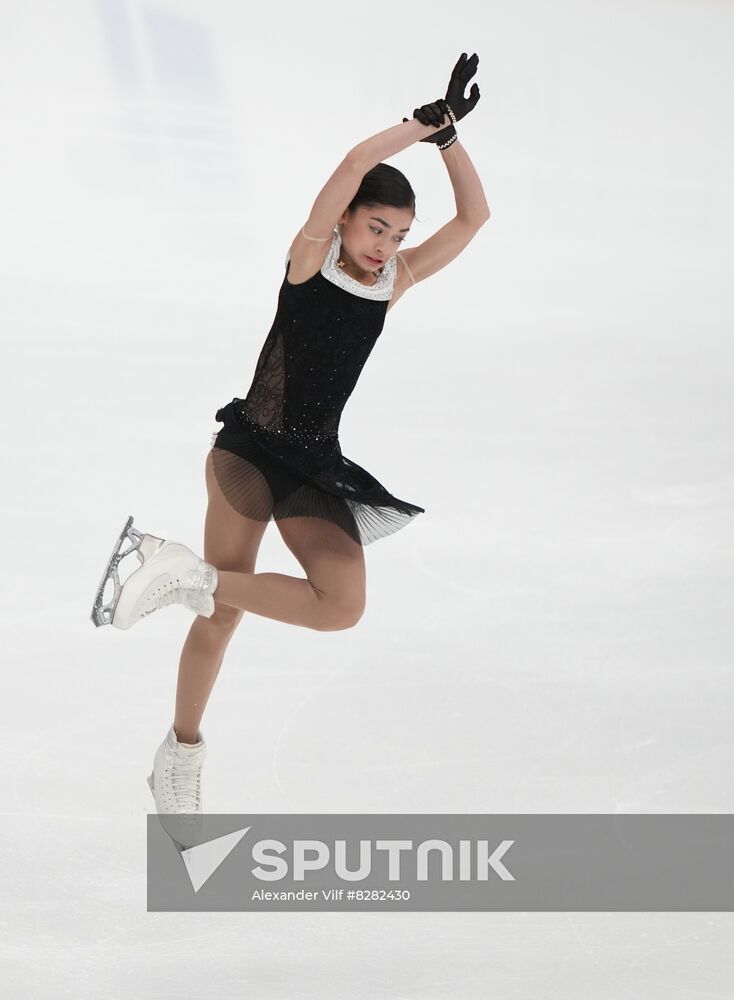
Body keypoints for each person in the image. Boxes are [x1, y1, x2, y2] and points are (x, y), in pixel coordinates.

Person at [90, 53, 489, 831]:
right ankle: (181, 756)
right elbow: (351, 162)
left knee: (339, 606)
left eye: (398, 233)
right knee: (222, 618)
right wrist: (417, 125)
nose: (385, 243)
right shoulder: (309, 258)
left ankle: (178, 571)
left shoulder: (391, 283)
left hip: (312, 463)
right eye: (376, 226)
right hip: (248, 452)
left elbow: (473, 220)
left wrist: (451, 145)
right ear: (344, 219)